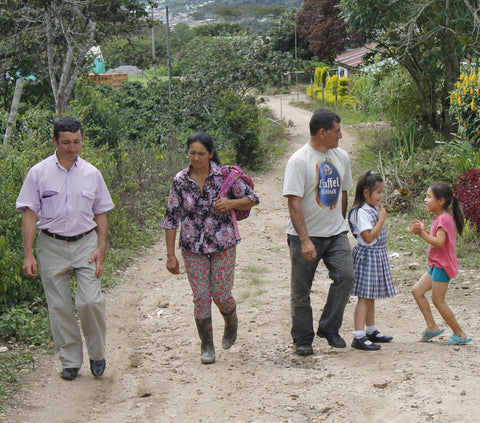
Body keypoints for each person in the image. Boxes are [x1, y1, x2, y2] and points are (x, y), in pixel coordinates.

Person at [16, 116, 114, 380]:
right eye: (67, 142)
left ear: (82, 140)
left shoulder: (92, 173)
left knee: (91, 300)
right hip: (51, 244)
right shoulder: (39, 173)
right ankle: (70, 361)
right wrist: (28, 254)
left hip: (86, 244)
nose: (72, 148)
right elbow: (29, 213)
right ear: (55, 141)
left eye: (77, 142)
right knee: (59, 305)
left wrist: (102, 247)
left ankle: (97, 354)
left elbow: (101, 213)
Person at [162, 131, 259, 364]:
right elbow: (170, 218)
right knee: (201, 297)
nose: (196, 158)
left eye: (201, 154)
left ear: (211, 153)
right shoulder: (180, 181)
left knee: (221, 294)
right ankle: (207, 345)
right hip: (192, 247)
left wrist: (231, 203)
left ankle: (231, 321)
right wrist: (170, 256)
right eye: (192, 153)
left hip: (223, 243)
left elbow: (253, 198)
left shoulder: (224, 176)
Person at [283, 109, 355, 356]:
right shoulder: (299, 160)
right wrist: (304, 240)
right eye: (337, 131)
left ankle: (328, 327)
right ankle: (302, 339)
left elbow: (344, 191)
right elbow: (293, 203)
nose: (341, 136)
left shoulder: (341, 157)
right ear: (322, 132)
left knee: (346, 276)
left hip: (336, 234)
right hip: (305, 235)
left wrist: (342, 224)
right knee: (301, 291)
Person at [409, 182, 472, 345]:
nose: (425, 200)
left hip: (442, 266)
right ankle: (432, 327)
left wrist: (421, 233)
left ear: (441, 201)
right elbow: (438, 238)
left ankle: (460, 334)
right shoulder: (440, 218)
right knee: (417, 291)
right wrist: (424, 230)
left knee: (438, 301)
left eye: (429, 197)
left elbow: (439, 243)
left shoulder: (444, 219)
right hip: (437, 265)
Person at [348, 171, 396, 351]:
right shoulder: (362, 212)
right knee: (364, 297)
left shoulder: (371, 209)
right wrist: (381, 220)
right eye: (378, 192)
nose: (381, 196)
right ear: (366, 193)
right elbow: (368, 237)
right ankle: (358, 336)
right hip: (368, 255)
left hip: (376, 255)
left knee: (371, 296)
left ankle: (371, 330)